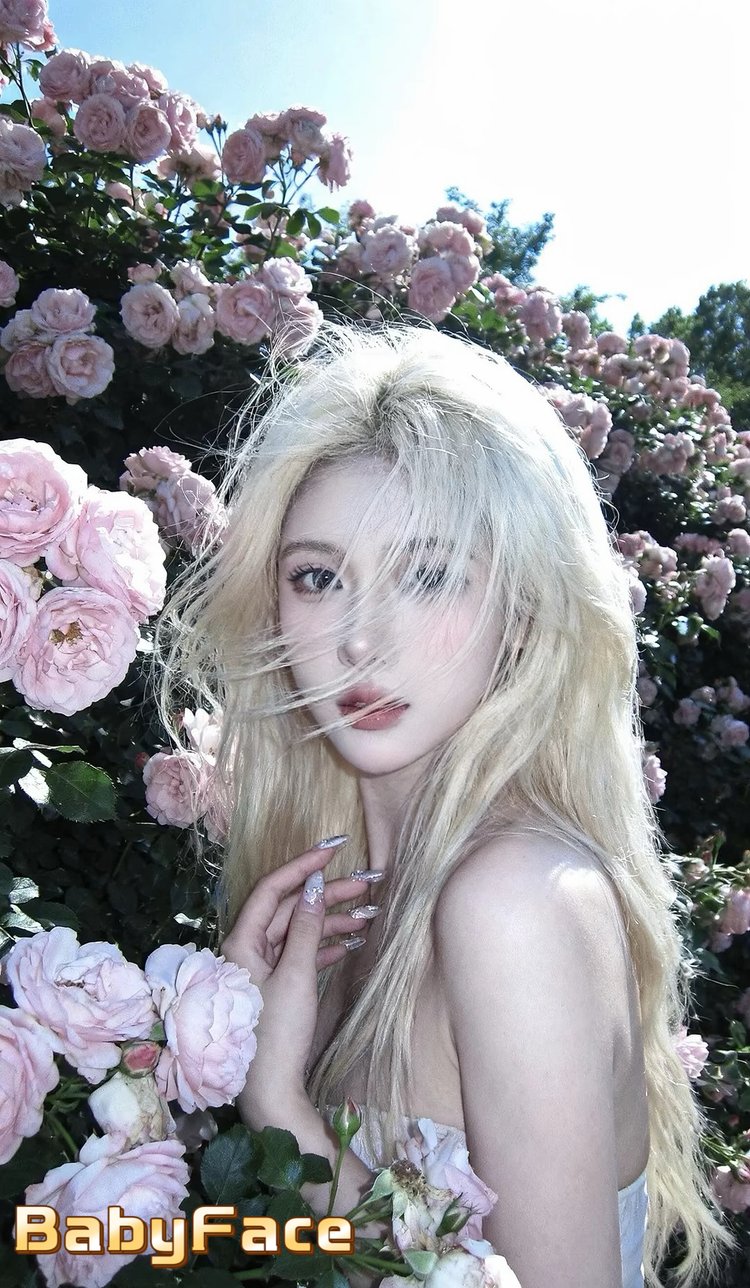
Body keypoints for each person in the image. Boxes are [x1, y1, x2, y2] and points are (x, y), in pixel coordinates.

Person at [154, 320, 737, 1288]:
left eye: (428, 575)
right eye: (319, 577)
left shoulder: (515, 901)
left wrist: (281, 1108)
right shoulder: (349, 903)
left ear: (525, 610)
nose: (361, 639)